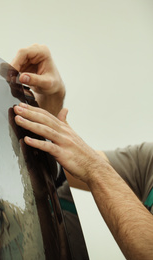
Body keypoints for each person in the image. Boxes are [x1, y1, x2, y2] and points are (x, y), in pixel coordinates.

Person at [10, 44, 153, 259]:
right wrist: (49, 104)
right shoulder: (147, 160)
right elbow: (56, 172)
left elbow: (89, 166)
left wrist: (94, 169)